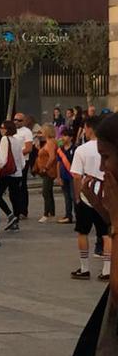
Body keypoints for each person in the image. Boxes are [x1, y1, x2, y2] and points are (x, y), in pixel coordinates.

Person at [70, 116, 112, 281]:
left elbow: (76, 176)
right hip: (105, 196)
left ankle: (84, 267)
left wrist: (77, 196)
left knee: (82, 232)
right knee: (106, 233)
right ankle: (107, 269)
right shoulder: (109, 147)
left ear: (89, 128)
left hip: (86, 195)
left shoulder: (82, 150)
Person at [0, 120, 24, 232]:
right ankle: (16, 221)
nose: (1, 129)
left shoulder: (4, 139)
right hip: (17, 172)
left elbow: (2, 158)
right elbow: (22, 160)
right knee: (15, 197)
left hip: (7, 172)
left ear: (7, 129)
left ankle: (10, 215)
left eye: (3, 127)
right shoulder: (17, 140)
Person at [34, 124, 58, 223]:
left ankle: (46, 213)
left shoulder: (51, 142)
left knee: (46, 191)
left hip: (48, 170)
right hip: (45, 169)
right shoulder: (47, 142)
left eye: (42, 131)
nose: (41, 133)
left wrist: (46, 167)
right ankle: (51, 212)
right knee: (48, 191)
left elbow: (52, 157)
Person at [13, 113, 35, 219]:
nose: (16, 122)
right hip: (13, 162)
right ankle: (16, 210)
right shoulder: (12, 131)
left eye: (19, 120)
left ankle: (23, 211)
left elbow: (29, 148)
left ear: (24, 121)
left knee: (22, 186)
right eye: (15, 120)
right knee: (14, 186)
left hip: (23, 161)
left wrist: (17, 153)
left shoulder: (27, 132)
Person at [57, 127, 77, 224]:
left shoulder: (76, 149)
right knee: (66, 197)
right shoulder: (60, 149)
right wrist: (58, 176)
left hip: (73, 176)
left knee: (74, 196)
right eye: (62, 135)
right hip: (64, 175)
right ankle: (68, 215)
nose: (63, 138)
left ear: (71, 138)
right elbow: (58, 163)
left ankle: (78, 215)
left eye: (65, 136)